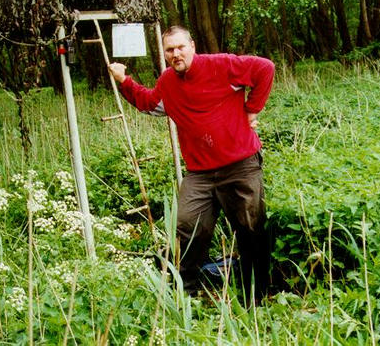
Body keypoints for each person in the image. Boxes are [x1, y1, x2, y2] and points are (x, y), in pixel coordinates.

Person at [108, 25, 274, 301]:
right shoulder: (168, 82)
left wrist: (252, 108)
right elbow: (149, 103)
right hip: (200, 173)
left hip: (240, 165)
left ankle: (256, 298)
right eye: (169, 50)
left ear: (192, 46)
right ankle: (186, 296)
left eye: (180, 47)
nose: (175, 54)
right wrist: (124, 81)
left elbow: (265, 68)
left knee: (250, 229)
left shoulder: (222, 65)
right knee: (187, 227)